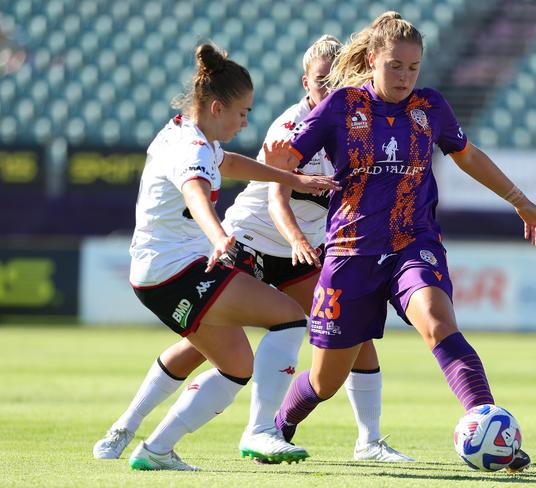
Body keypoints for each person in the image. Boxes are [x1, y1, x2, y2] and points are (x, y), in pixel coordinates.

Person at [93, 36, 411, 467]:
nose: (247, 121)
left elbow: (229, 164)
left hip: (191, 265)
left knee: (264, 355)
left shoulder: (193, 135)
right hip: (228, 251)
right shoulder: (255, 135)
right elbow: (199, 194)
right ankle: (252, 430)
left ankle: (155, 449)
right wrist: (222, 235)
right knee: (270, 327)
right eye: (242, 113)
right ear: (218, 108)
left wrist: (296, 181)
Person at [267, 12, 536, 473]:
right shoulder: (341, 106)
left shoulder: (431, 107)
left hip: (411, 244)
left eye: (413, 67)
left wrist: (520, 200)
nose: (404, 76)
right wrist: (293, 217)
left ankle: (490, 428)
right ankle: (277, 427)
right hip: (350, 255)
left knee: (440, 324)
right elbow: (279, 172)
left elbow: (469, 155)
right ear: (372, 60)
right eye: (395, 65)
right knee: (324, 381)